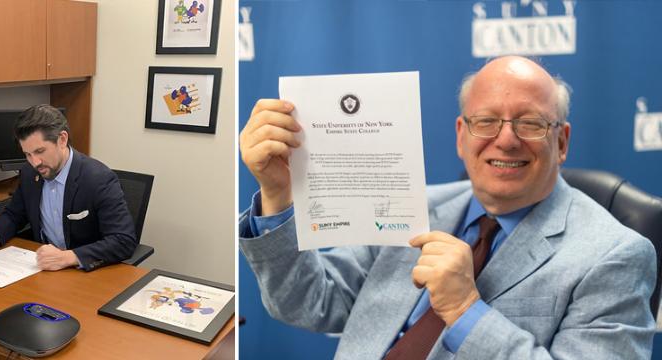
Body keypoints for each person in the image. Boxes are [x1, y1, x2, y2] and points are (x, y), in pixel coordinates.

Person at [238, 56, 656, 359]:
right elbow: (308, 301)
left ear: (561, 142)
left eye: (530, 123)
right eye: (486, 121)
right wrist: (277, 194)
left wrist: (464, 310)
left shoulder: (616, 255)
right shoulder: (412, 206)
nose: (506, 140)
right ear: (462, 135)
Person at [0, 104, 137, 272]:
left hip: (83, 272)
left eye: (39, 151)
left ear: (62, 139)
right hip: (42, 270)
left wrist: (69, 257)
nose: (34, 162)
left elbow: (123, 241)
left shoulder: (98, 179)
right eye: (27, 154)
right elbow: (14, 215)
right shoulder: (30, 174)